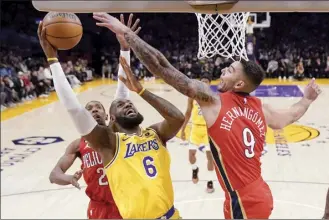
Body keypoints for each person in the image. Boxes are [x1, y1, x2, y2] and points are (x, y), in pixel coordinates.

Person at [92, 12, 322, 219]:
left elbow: (163, 67)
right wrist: (307, 99)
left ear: (240, 83)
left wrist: (127, 35)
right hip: (256, 193)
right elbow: (289, 117)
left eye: (230, 70)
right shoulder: (260, 107)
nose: (222, 70)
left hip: (244, 201)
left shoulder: (213, 101)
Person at [38, 15, 185, 219]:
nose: (127, 104)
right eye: (121, 106)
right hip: (105, 208)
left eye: (129, 103)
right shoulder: (109, 142)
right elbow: (75, 108)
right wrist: (53, 61)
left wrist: (127, 51)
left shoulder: (154, 134)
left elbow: (176, 117)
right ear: (113, 119)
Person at [48, 14, 140, 219]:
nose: (95, 110)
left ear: (108, 115)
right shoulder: (77, 144)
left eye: (98, 107)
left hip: (128, 204)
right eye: (90, 108)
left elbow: (122, 92)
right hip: (99, 209)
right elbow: (54, 175)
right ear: (84, 115)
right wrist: (68, 178)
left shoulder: (115, 131)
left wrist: (125, 49)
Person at [180, 74, 214, 193]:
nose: (204, 83)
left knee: (210, 157)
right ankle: (195, 169)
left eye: (206, 81)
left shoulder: (213, 98)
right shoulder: (192, 96)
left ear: (209, 84)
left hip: (207, 130)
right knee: (191, 156)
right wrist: (183, 129)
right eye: (202, 81)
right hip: (195, 128)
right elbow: (188, 112)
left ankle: (210, 182)